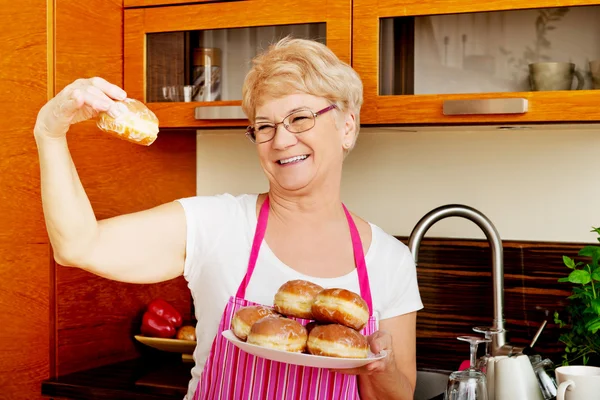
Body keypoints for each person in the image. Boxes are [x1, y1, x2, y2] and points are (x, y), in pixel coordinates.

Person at [34, 37, 423, 400]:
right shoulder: (215, 224)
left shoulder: (390, 261)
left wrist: (379, 367)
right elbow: (77, 246)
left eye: (300, 118)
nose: (282, 140)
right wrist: (50, 132)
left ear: (347, 126)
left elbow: (398, 393)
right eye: (265, 126)